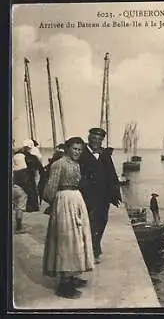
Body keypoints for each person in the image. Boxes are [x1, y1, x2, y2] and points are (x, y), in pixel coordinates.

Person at [42, 137, 94, 299]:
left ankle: (72, 275)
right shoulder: (59, 164)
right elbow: (49, 190)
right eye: (75, 149)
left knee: (78, 238)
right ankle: (64, 284)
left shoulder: (75, 164)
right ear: (67, 148)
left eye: (80, 149)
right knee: (67, 241)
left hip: (76, 201)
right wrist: (58, 204)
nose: (77, 152)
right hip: (64, 202)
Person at [78, 127, 121, 263]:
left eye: (99, 139)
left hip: (103, 198)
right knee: (88, 223)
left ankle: (94, 249)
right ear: (89, 138)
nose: (96, 141)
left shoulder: (104, 155)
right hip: (86, 196)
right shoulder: (82, 154)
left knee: (101, 222)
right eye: (94, 138)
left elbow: (112, 174)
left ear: (102, 140)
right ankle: (90, 251)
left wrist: (115, 194)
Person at [15, 139, 44, 212]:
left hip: (19, 178)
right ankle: (31, 207)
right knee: (32, 191)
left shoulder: (17, 155)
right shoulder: (33, 157)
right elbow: (40, 168)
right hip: (30, 176)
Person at [12, 153, 30, 233]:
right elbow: (25, 183)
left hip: (12, 188)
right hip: (20, 189)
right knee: (19, 208)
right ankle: (19, 227)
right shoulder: (24, 171)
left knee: (15, 207)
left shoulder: (13, 170)